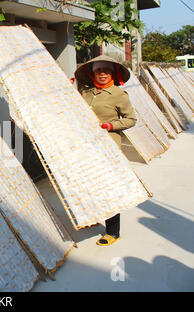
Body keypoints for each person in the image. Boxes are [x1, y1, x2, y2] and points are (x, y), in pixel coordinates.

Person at [74, 55, 137, 246]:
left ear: (113, 73)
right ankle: (92, 218)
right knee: (89, 184)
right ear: (93, 73)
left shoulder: (118, 94)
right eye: (99, 71)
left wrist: (110, 125)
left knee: (109, 187)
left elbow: (131, 119)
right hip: (87, 146)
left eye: (106, 71)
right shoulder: (86, 92)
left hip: (109, 147)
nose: (102, 74)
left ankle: (112, 232)